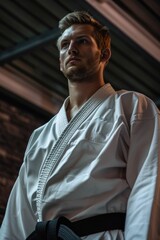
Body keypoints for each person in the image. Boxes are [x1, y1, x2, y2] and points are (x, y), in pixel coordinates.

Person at [0, 10, 160, 240]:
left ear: (104, 54)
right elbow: (18, 216)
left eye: (82, 41)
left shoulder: (133, 107)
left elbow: (148, 187)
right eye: (65, 44)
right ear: (59, 61)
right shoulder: (40, 136)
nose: (71, 49)